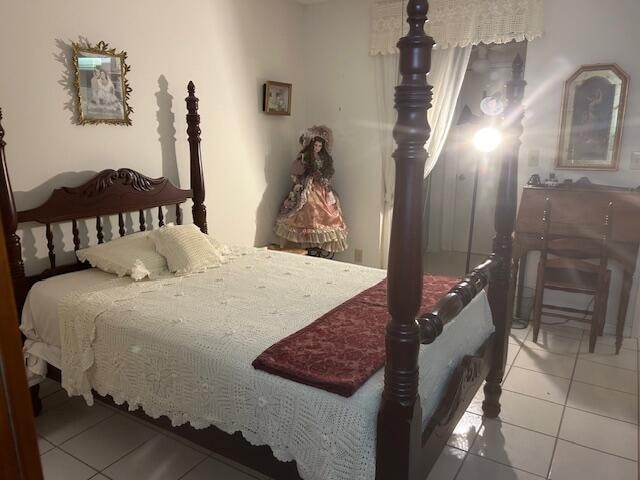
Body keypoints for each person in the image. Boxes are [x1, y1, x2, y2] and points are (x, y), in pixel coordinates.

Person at [274, 126, 348, 253]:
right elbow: (296, 171)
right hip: (308, 185)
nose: (317, 148)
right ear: (311, 145)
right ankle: (305, 242)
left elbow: (328, 172)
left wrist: (325, 179)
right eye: (316, 145)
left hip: (321, 186)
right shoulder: (305, 157)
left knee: (328, 207)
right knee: (310, 207)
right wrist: (299, 182)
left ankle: (317, 245)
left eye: (320, 146)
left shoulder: (324, 159)